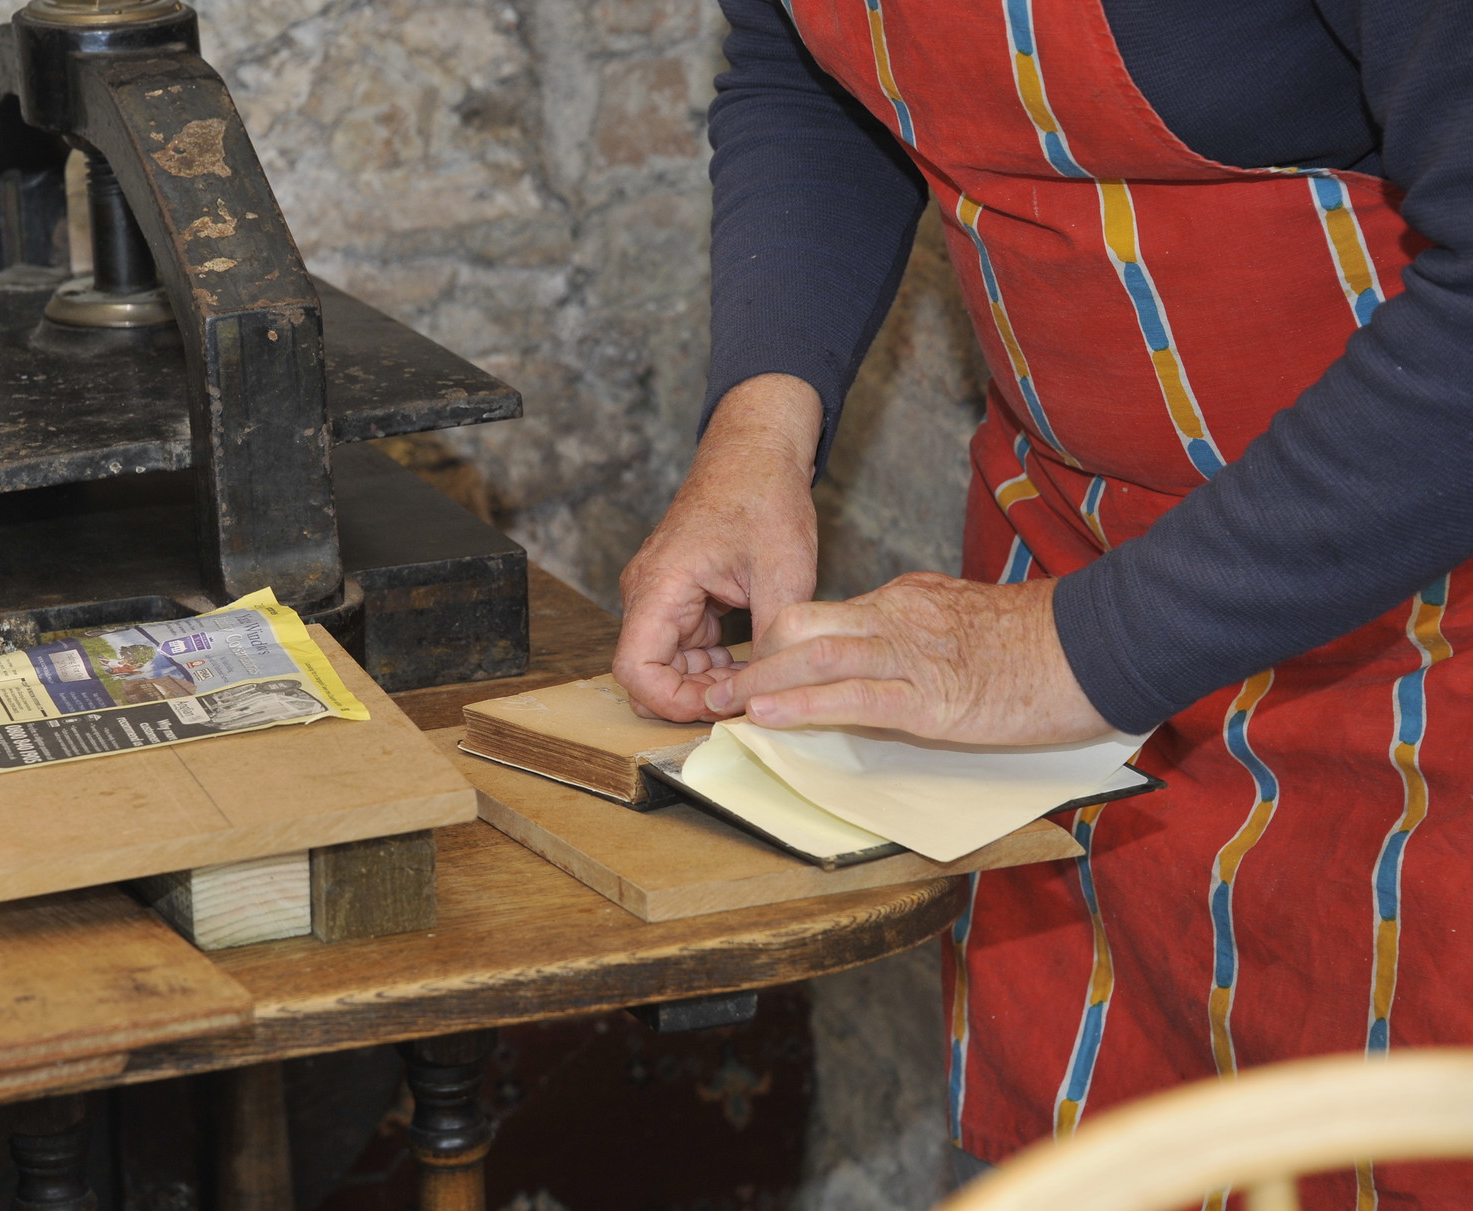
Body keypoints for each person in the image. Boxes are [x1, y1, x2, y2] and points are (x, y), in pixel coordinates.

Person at [613, 0, 1473, 1202]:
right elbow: (800, 64)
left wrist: (1073, 653)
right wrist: (756, 432)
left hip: (1419, 610)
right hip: (1060, 570)